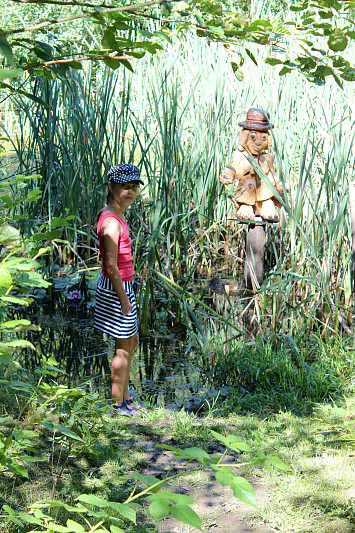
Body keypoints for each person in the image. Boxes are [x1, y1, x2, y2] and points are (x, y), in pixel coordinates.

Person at [94, 163, 144, 416]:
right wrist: (125, 301)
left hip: (122, 285)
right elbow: (111, 266)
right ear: (111, 186)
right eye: (125, 186)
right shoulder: (111, 222)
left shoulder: (114, 212)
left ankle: (126, 398)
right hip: (117, 288)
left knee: (130, 341)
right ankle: (117, 406)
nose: (130, 191)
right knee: (123, 347)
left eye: (134, 187)